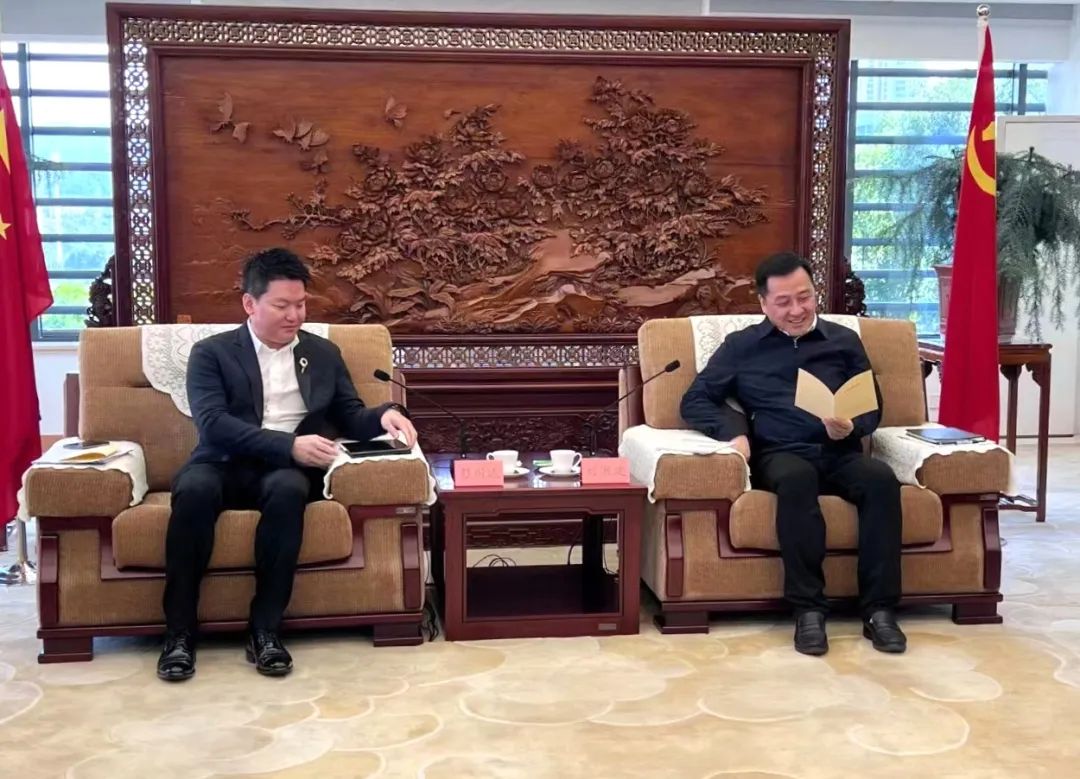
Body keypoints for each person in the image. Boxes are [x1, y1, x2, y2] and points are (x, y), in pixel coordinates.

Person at [157, 248, 417, 681]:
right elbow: (213, 424)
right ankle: (179, 634)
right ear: (250, 303)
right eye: (282, 305)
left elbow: (350, 413)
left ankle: (265, 631)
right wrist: (289, 445)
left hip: (284, 473)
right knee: (194, 490)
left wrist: (385, 414)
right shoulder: (212, 353)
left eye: (300, 304)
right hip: (222, 461)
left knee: (290, 490)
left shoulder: (322, 353)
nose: (294, 315)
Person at [680, 251, 906, 656]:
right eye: (783, 302)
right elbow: (695, 400)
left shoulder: (843, 341)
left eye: (805, 297)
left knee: (880, 480)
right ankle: (809, 611)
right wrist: (735, 432)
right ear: (763, 304)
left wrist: (852, 425)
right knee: (797, 479)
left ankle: (880, 610)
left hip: (838, 450)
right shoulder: (742, 347)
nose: (797, 310)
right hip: (779, 453)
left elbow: (871, 406)